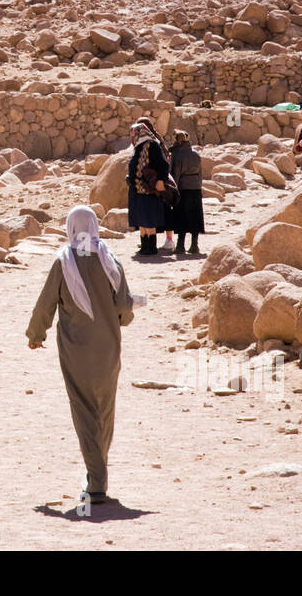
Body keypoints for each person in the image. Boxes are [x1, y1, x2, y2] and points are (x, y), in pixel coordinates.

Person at [28, 205, 134, 506]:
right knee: (105, 407)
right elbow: (124, 308)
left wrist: (36, 335)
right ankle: (96, 473)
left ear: (71, 228)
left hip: (76, 349)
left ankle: (96, 481)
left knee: (84, 407)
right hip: (109, 347)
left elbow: (46, 304)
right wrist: (119, 321)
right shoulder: (109, 259)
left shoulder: (64, 262)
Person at [126, 118, 170, 257]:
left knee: (149, 218)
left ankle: (151, 247)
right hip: (138, 190)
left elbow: (163, 165)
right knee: (141, 218)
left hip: (148, 189)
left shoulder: (153, 146)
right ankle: (144, 246)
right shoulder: (138, 148)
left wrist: (161, 181)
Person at [169, 130, 204, 255]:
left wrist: (173, 191)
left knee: (181, 217)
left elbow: (175, 175)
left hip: (183, 189)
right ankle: (194, 245)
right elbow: (200, 174)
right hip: (195, 189)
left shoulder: (177, 155)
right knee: (195, 216)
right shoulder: (196, 154)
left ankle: (180, 246)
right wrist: (199, 187)